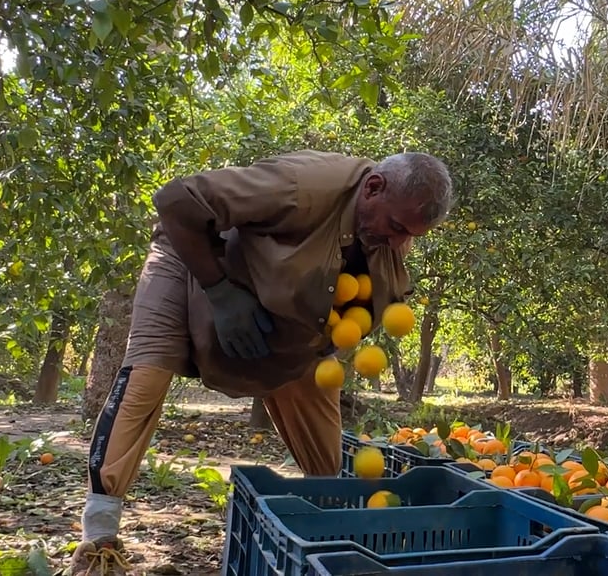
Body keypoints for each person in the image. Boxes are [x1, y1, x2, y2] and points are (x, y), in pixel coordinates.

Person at [68, 149, 454, 576]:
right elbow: (176, 200)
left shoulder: (383, 240)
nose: (400, 243)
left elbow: (367, 299)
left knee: (318, 403)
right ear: (373, 188)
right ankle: (98, 542)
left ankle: (327, 526)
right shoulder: (301, 187)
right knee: (147, 375)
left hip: (282, 308)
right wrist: (218, 290)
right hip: (187, 258)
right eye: (396, 227)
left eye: (411, 235)